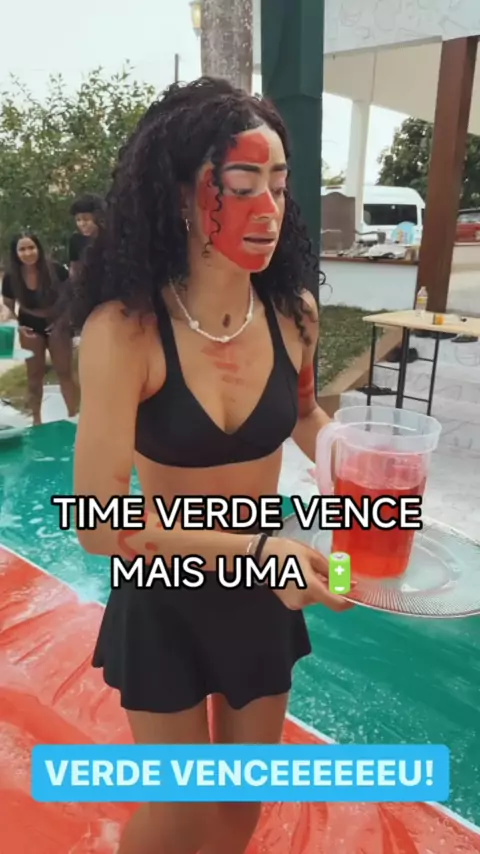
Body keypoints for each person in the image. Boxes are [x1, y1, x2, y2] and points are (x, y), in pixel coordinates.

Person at [71, 77, 353, 854]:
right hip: (166, 591)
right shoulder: (126, 332)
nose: (269, 208)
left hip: (260, 592)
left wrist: (366, 474)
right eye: (242, 183)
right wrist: (261, 549)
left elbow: (303, 415)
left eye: (280, 184)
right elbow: (96, 524)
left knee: (238, 808)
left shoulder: (294, 315)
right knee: (181, 815)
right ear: (181, 195)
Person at [1, 232, 79, 426]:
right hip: (29, 325)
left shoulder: (56, 270)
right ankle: (36, 422)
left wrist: (64, 322)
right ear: (16, 253)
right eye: (22, 249)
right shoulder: (11, 277)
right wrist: (18, 326)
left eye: (31, 247)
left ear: (38, 249)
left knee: (65, 373)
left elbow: (72, 298)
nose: (28, 253)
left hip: (58, 322)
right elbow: (7, 306)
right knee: (34, 378)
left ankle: (74, 418)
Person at [68, 192, 105, 278]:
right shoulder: (76, 240)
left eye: (86, 219)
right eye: (78, 220)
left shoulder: (111, 239)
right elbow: (74, 268)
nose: (82, 224)